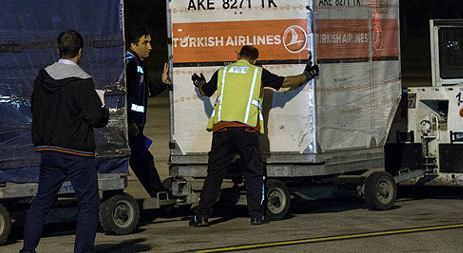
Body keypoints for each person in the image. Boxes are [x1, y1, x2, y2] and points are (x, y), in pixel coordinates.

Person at [18, 30, 116, 253]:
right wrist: (104, 112)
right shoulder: (81, 80)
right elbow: (95, 117)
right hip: (76, 152)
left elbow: (34, 107)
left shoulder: (43, 76)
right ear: (80, 52)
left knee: (41, 202)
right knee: (88, 204)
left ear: (58, 50)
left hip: (48, 149)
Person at [189, 45, 319, 226]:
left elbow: (205, 92)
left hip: (223, 130)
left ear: (238, 56)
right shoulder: (258, 73)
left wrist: (200, 83)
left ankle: (202, 217)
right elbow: (285, 82)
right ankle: (257, 216)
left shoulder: (223, 72)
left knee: (215, 174)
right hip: (247, 130)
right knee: (253, 172)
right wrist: (308, 75)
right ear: (255, 60)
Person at [125, 26, 170, 198]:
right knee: (142, 159)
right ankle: (159, 194)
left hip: (136, 125)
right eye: (145, 42)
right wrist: (129, 122)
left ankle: (158, 193)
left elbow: (146, 91)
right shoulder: (130, 63)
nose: (150, 47)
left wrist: (162, 83)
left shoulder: (138, 64)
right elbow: (125, 96)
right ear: (133, 44)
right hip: (132, 126)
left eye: (150, 42)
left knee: (142, 159)